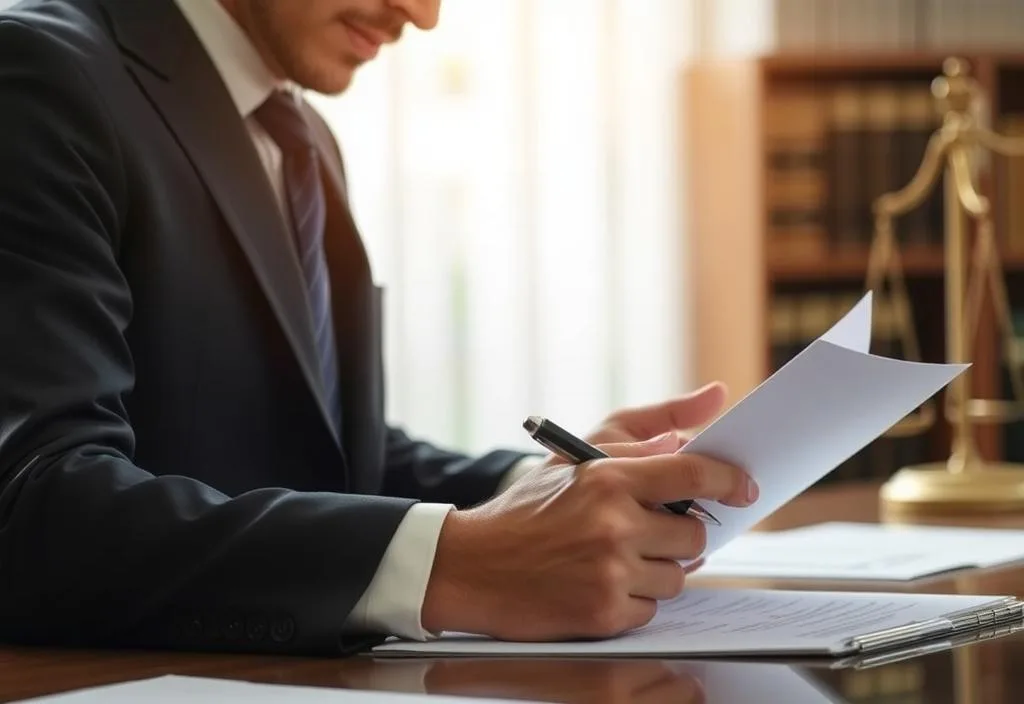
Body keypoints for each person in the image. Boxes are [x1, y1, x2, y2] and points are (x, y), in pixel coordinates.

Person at [0, 0, 759, 656]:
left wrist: (550, 489)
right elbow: (34, 504)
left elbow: (324, 458)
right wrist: (456, 563)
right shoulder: (37, 76)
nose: (422, 14)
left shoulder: (301, 139)